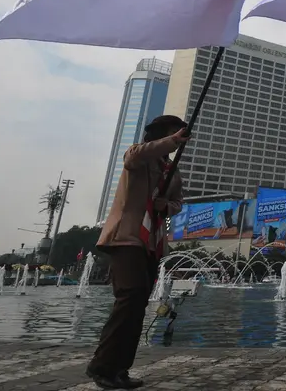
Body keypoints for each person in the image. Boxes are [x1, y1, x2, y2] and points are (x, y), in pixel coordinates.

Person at [86, 115, 189, 389]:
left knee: (138, 305)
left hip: (151, 243)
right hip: (126, 237)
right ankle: (102, 366)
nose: (175, 140)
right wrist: (171, 140)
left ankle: (120, 368)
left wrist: (165, 206)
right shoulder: (139, 157)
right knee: (129, 298)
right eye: (170, 134)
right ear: (158, 135)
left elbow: (178, 203)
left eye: (178, 135)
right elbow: (134, 157)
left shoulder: (172, 172)